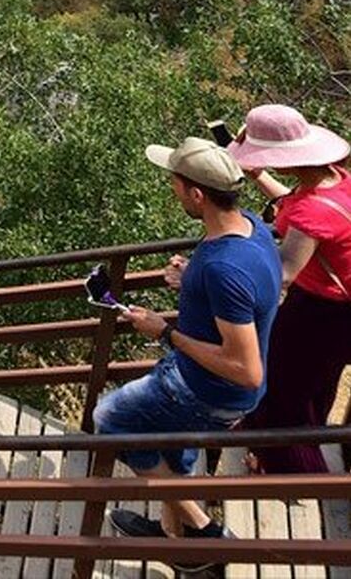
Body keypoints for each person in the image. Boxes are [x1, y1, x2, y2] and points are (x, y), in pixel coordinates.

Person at [96, 137, 281, 552]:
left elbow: (246, 368)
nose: (172, 189)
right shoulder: (250, 228)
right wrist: (191, 276)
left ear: (197, 194)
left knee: (110, 420)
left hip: (207, 390)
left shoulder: (223, 269)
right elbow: (243, 290)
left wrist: (164, 331)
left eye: (175, 184)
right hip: (208, 385)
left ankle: (205, 533)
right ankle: (172, 536)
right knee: (170, 444)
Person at [226, 104, 351, 474]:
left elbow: (282, 272)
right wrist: (260, 175)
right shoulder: (335, 179)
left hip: (320, 313)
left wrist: (218, 276)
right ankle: (289, 454)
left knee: (281, 392)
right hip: (337, 312)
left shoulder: (312, 214)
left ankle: (294, 473)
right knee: (314, 386)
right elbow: (294, 205)